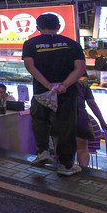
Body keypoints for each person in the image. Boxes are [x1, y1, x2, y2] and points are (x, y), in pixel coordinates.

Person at [23, 13, 87, 176]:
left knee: (40, 120)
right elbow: (79, 69)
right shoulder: (73, 44)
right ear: (58, 27)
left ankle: (43, 151)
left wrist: (48, 85)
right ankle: (66, 165)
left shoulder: (30, 44)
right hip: (67, 92)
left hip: (42, 91)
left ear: (38, 28)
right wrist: (63, 85)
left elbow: (30, 67)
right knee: (67, 126)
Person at [76, 74, 107, 168]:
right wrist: (102, 122)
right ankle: (84, 174)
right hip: (81, 117)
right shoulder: (82, 84)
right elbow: (92, 104)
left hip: (63, 118)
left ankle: (64, 171)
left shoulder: (58, 82)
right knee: (82, 149)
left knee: (62, 148)